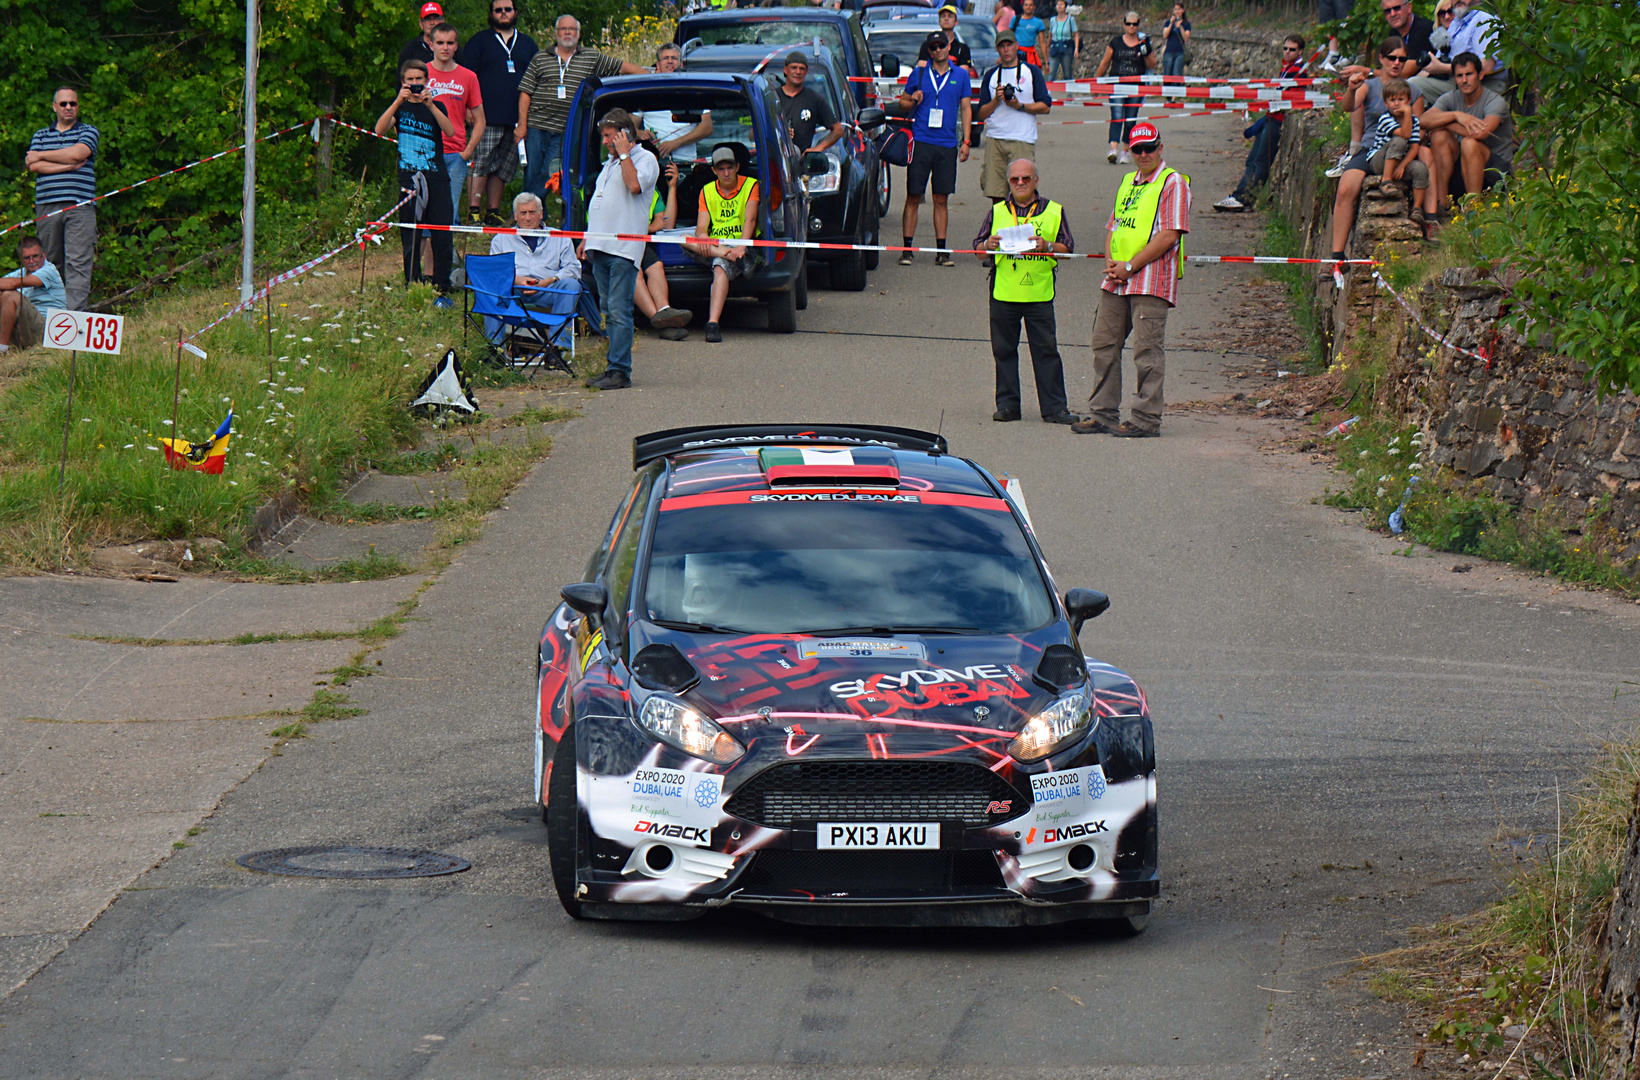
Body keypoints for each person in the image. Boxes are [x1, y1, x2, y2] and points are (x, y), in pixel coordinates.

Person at [1073, 121, 1188, 439]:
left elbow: (1169, 236)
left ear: (1160, 148)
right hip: (1117, 278)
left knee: (1147, 351)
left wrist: (1131, 265)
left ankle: (1145, 419)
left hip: (1149, 279)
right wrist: (1111, 259)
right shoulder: (1128, 181)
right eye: (1137, 149)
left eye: (1149, 147)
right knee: (1104, 345)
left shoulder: (1172, 182)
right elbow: (1114, 224)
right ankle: (1102, 413)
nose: (1143, 154)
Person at [974, 160, 1076, 425]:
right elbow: (976, 248)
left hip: (1038, 295)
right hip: (1004, 293)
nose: (1020, 183)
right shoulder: (996, 211)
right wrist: (988, 244)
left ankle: (1054, 408)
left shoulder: (1054, 211)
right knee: (1004, 351)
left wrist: (1048, 245)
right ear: (1008, 182)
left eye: (1026, 179)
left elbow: (1068, 249)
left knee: (1046, 352)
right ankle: (1008, 406)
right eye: (1015, 179)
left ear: (1036, 181)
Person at [514, 15, 647, 205]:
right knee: (532, 171)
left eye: (572, 29)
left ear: (579, 33)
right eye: (563, 29)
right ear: (556, 33)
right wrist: (522, 125)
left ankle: (526, 208)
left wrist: (655, 76)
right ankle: (529, 215)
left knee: (549, 171)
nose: (568, 33)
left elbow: (623, 68)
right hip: (536, 126)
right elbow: (525, 92)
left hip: (565, 129)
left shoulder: (591, 57)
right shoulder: (541, 57)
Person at [579, 109, 657, 389]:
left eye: (609, 136)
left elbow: (634, 186)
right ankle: (613, 366)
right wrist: (587, 238)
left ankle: (621, 371)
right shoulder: (608, 165)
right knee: (607, 310)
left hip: (623, 248)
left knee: (619, 309)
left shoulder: (644, 159)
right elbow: (600, 205)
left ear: (624, 135)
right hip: (601, 245)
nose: (604, 142)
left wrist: (625, 154)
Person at [376, 57, 460, 304]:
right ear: (403, 82)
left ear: (427, 81)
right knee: (411, 234)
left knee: (441, 233)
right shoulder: (400, 108)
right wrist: (398, 101)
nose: (415, 84)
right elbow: (380, 129)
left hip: (437, 176)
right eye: (410, 80)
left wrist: (431, 104)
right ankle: (412, 283)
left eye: (419, 80)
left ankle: (442, 285)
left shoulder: (437, 105)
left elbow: (451, 131)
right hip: (409, 179)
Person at [1328, 77, 1428, 259]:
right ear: (1386, 103)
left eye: (1402, 100)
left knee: (1421, 168)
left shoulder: (1413, 120)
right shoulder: (1385, 118)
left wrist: (1404, 165)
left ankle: (1418, 209)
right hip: (1379, 159)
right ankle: (1386, 180)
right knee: (1398, 141)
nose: (1398, 104)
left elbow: (1414, 145)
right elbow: (1404, 135)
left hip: (1400, 159)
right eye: (1393, 100)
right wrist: (1407, 114)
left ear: (1409, 101)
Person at [896, 32, 972, 267]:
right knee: (914, 196)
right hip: (921, 141)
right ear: (929, 50)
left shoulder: (960, 75)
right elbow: (903, 103)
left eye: (942, 46)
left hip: (947, 144)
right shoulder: (918, 74)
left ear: (949, 47)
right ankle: (907, 249)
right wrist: (913, 99)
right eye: (934, 46)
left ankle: (942, 250)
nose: (939, 50)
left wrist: (966, 141)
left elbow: (966, 108)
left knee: (941, 198)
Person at [462, 0, 538, 224]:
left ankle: (493, 211)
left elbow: (536, 77)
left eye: (508, 9)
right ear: (491, 14)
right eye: (498, 10)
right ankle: (473, 209)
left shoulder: (527, 43)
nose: (503, 13)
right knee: (480, 162)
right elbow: (467, 77)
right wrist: (468, 106)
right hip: (484, 116)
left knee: (504, 167)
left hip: (516, 118)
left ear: (515, 12)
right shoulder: (479, 41)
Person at [1213, 34, 1306, 212]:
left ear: (1300, 51)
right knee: (1252, 160)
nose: (1287, 52)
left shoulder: (1298, 70)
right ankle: (1240, 197)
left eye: (1292, 49)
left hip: (1278, 121)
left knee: (1261, 162)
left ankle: (1245, 199)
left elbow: (1293, 97)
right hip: (1271, 117)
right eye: (1285, 48)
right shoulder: (1288, 68)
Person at [25, 87, 98, 311]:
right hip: (47, 205)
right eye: (64, 104)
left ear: (77, 106)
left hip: (80, 205)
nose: (68, 108)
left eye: (73, 104)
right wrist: (68, 166)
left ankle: (73, 320)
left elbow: (78, 153)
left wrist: (44, 155)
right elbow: (33, 165)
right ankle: (48, 320)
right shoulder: (41, 135)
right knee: (48, 264)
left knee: (78, 263)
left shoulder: (88, 131)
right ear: (55, 106)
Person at [1421, 52, 1514, 218]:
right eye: (1459, 76)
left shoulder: (1494, 101)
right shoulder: (1451, 98)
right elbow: (1424, 119)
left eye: (1469, 74)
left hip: (1495, 173)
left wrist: (1446, 122)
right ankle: (1443, 206)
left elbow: (1481, 133)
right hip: (1461, 170)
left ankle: (1473, 210)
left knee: (1469, 143)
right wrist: (1456, 115)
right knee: (1439, 135)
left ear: (1480, 75)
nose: (1464, 80)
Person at [484, 191, 580, 347]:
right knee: (493, 288)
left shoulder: (559, 236)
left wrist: (550, 280)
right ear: (515, 216)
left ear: (541, 214)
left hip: (548, 289)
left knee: (571, 286)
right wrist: (517, 279)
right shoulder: (501, 238)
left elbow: (574, 268)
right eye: (523, 213)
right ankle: (495, 350)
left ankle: (559, 348)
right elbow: (495, 272)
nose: (528, 218)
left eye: (532, 212)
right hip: (513, 290)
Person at [685, 147, 760, 344]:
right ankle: (730, 256)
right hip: (718, 246)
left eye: (730, 168)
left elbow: (750, 221)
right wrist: (703, 238)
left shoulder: (751, 185)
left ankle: (712, 323)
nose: (726, 173)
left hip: (741, 244)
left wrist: (741, 247)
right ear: (714, 171)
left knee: (719, 267)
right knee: (684, 239)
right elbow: (701, 227)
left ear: (737, 167)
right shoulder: (707, 191)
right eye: (722, 169)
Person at [1326, 35, 1424, 179]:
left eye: (1402, 59)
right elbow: (1348, 107)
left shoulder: (1414, 91)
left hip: (1402, 149)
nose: (1396, 63)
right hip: (1370, 147)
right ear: (1381, 58)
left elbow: (1420, 128)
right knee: (1346, 187)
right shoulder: (1369, 86)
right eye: (1392, 58)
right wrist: (1351, 89)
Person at [425, 24, 485, 238]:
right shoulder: (420, 73)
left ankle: (446, 266)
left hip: (455, 154)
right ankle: (425, 269)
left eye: (450, 43)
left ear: (456, 46)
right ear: (431, 44)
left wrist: (467, 152)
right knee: (424, 215)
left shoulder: (468, 77)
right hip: (426, 153)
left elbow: (480, 121)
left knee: (447, 215)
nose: (445, 47)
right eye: (440, 43)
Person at [976, 31, 1050, 204]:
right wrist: (996, 100)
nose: (1006, 49)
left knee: (1023, 193)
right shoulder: (991, 75)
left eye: (1009, 45)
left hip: (1021, 139)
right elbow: (981, 113)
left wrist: (1020, 106)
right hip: (995, 139)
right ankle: (999, 230)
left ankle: (1022, 230)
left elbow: (1046, 106)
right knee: (996, 194)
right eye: (1002, 46)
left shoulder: (1031, 72)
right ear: (997, 49)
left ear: (1017, 46)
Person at [634, 160, 694, 341]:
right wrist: (649, 227)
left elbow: (666, 223)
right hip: (618, 241)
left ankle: (664, 311)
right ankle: (659, 319)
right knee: (634, 271)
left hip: (640, 241)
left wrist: (673, 188)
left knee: (656, 266)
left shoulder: (653, 192)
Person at [1409, 0, 1506, 103]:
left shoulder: (1484, 20)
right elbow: (1438, 61)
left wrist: (1442, 68)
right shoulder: (1456, 23)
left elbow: (1486, 68)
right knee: (1403, 87)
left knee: (1413, 87)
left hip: (1483, 84)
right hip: (1455, 81)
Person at [1094, 12, 1156, 165]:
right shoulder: (1115, 42)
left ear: (1138, 25)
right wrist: (1096, 81)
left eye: (1135, 24)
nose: (1132, 27)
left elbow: (1152, 64)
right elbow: (1105, 62)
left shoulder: (1143, 43)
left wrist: (1145, 51)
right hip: (1116, 85)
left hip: (1136, 87)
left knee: (1130, 118)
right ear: (1124, 25)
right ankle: (1113, 149)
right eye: (1129, 24)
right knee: (1116, 116)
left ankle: (1125, 151)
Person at [637, 45, 713, 165]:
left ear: (681, 64)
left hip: (687, 164)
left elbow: (707, 127)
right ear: (658, 65)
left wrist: (676, 143)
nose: (670, 61)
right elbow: (629, 126)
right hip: (653, 163)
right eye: (666, 58)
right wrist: (640, 133)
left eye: (674, 58)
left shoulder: (695, 93)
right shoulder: (646, 93)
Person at [0, 237, 65, 353]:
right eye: (27, 258)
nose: (31, 261)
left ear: (44, 255)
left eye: (35, 256)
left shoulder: (49, 270)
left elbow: (15, 283)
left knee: (9, 296)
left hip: (50, 332)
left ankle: (1, 350)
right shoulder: (21, 273)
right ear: (22, 259)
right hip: (27, 329)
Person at [775, 52, 844, 151]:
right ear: (785, 70)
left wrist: (817, 149)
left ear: (806, 71)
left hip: (802, 162)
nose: (798, 72)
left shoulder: (814, 99)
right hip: (773, 161)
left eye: (802, 68)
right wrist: (779, 131)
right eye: (794, 68)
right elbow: (752, 134)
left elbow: (838, 130)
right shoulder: (772, 97)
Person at [400, 1, 463, 68]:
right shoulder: (410, 49)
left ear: (443, 21)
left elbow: (463, 72)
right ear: (421, 24)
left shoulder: (453, 47)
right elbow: (401, 76)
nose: (432, 22)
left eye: (436, 18)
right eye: (428, 19)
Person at [1047, 0, 1079, 83]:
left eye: (1062, 4)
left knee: (1067, 73)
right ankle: (1047, 93)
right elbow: (1050, 34)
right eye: (1058, 4)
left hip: (1066, 47)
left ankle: (1069, 94)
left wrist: (1076, 48)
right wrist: (1048, 47)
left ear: (1065, 7)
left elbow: (1076, 34)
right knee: (1051, 72)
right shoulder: (1052, 20)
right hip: (1055, 47)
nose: (1059, 6)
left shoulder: (1070, 19)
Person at [1010, 0, 1049, 68]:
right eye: (1026, 5)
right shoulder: (1015, 19)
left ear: (1034, 7)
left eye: (1031, 5)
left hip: (1029, 55)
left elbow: (1042, 43)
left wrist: (1046, 62)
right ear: (1023, 7)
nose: (1028, 7)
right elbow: (1008, 37)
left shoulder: (1038, 22)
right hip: (1016, 54)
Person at [1160, 3, 1190, 79]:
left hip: (1180, 52)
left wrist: (1180, 27)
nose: (1177, 11)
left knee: (1177, 75)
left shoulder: (1186, 24)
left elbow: (1186, 38)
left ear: (1183, 10)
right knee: (1167, 74)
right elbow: (1165, 35)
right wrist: (1171, 24)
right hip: (1169, 51)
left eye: (1179, 9)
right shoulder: (1168, 22)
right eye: (1175, 9)